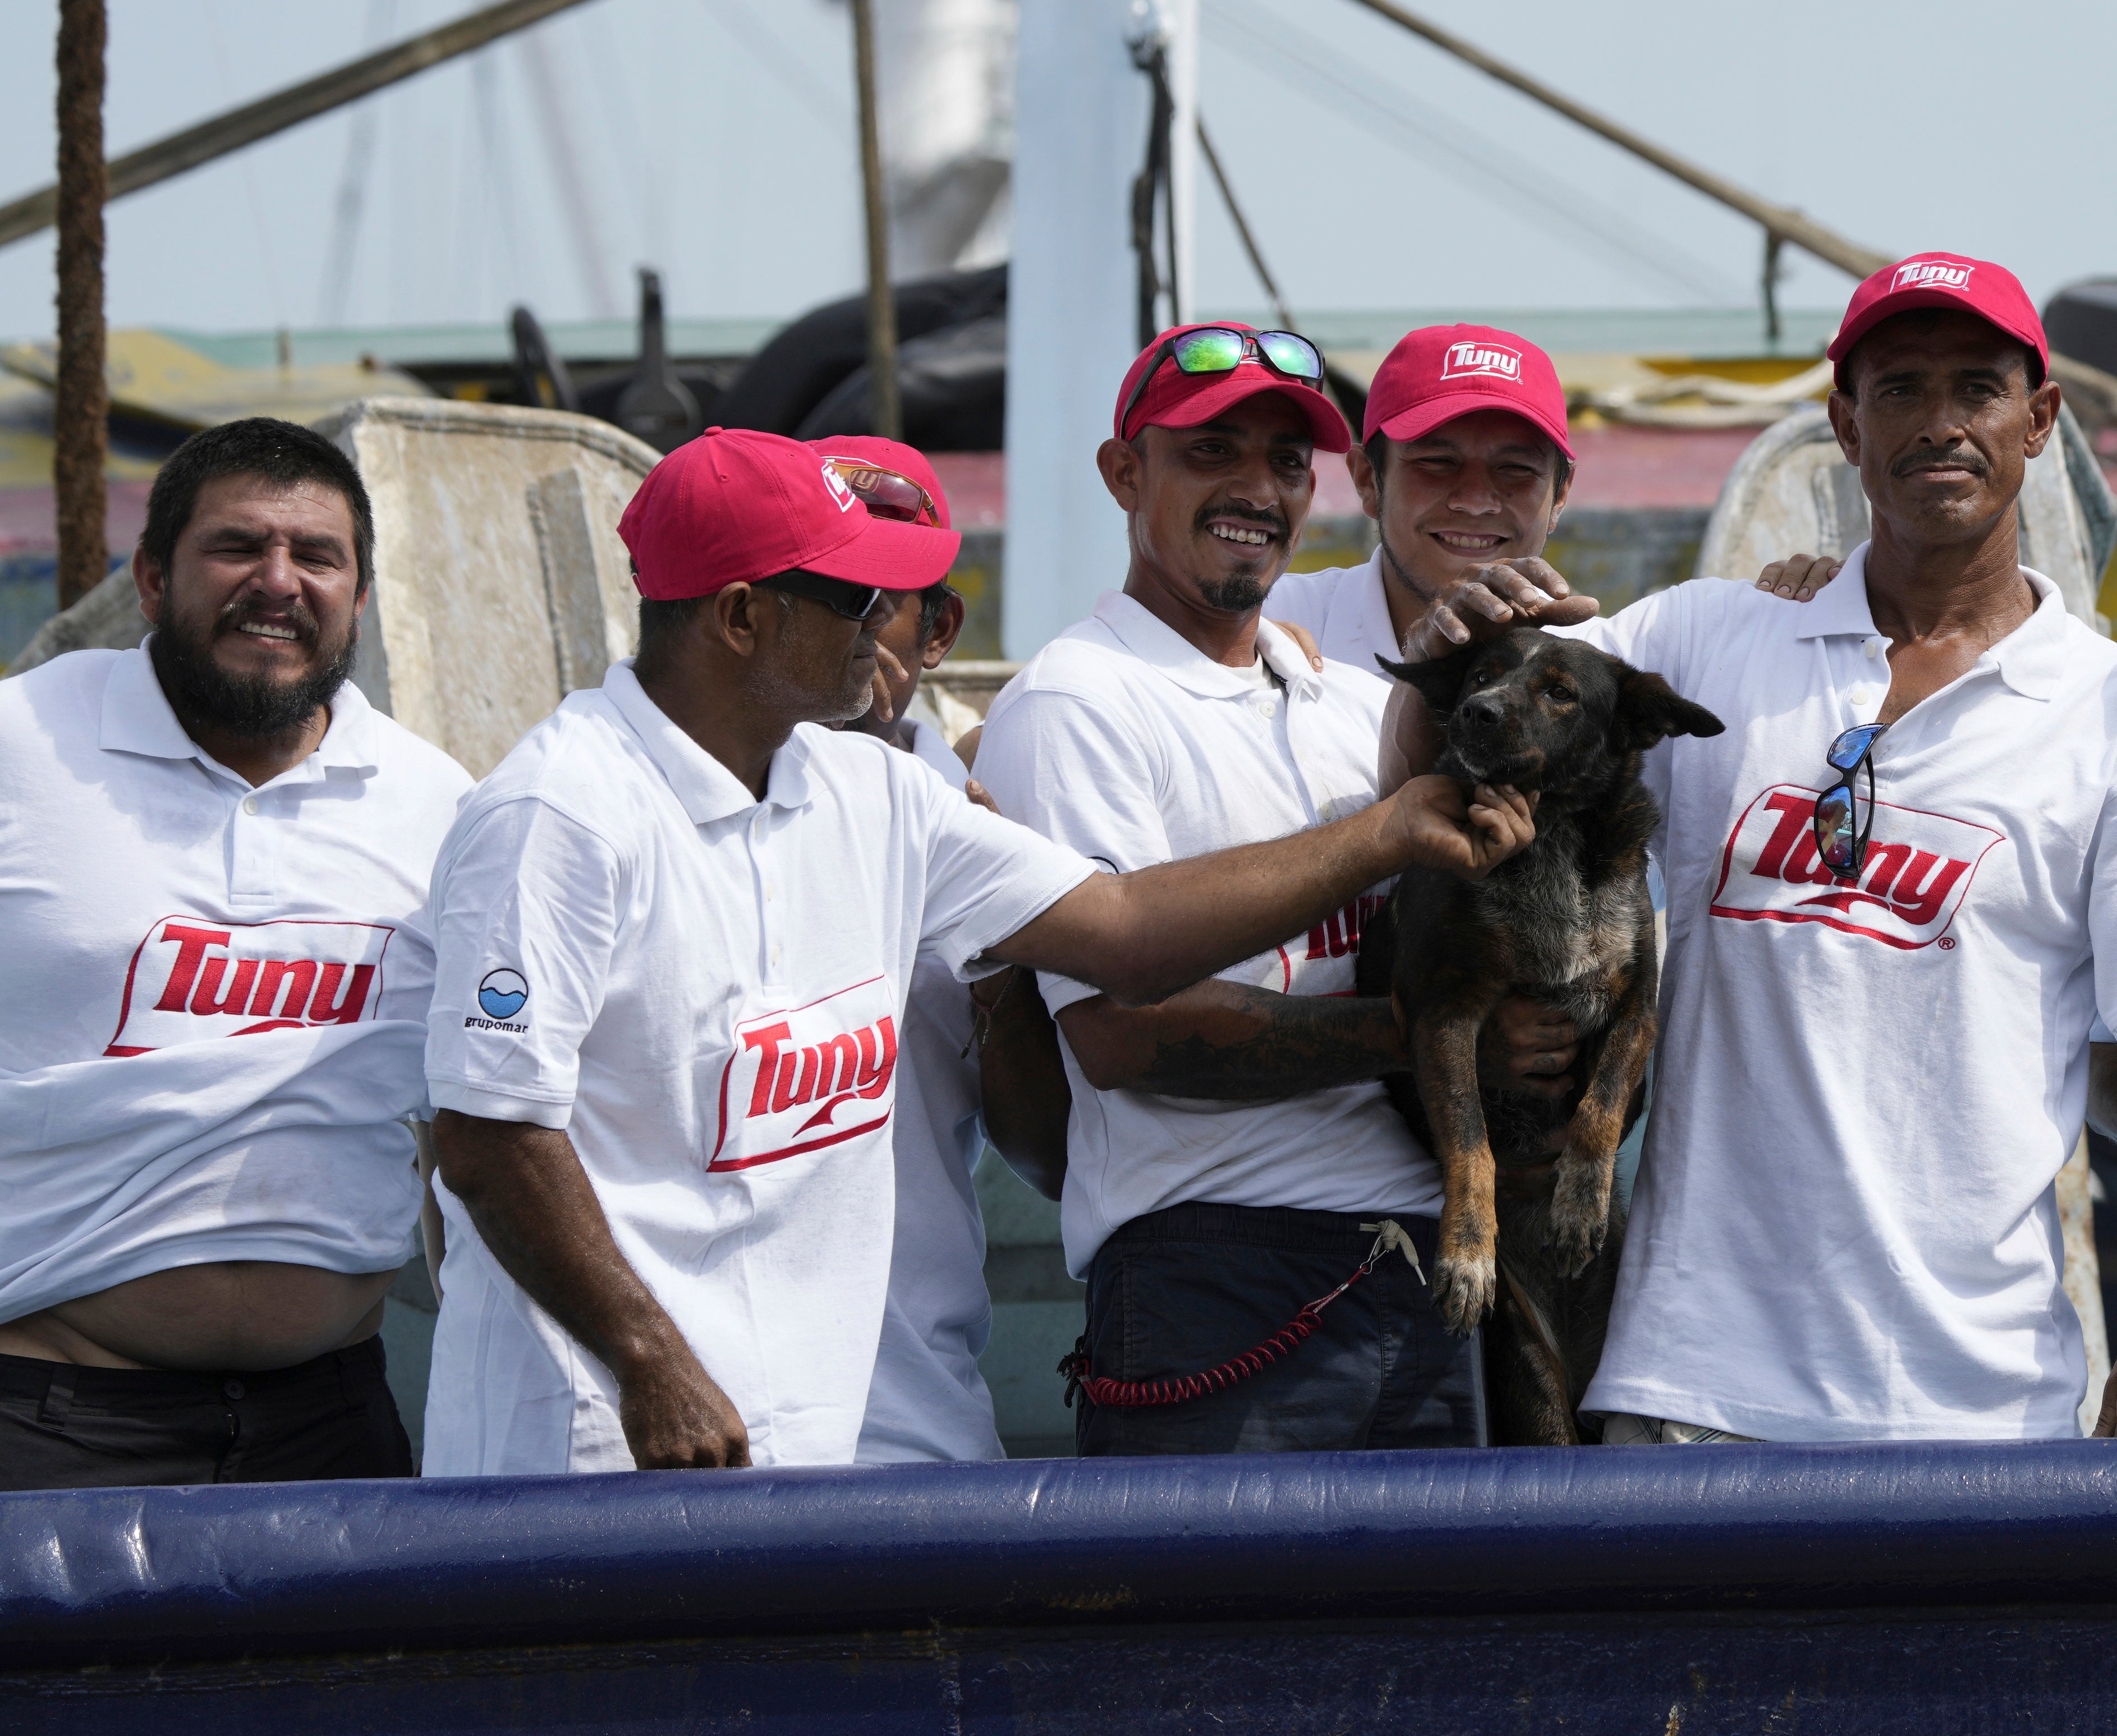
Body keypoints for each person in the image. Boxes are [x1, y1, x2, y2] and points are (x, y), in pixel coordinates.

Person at [420, 425, 1533, 1473]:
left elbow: (1127, 933)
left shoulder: (876, 787)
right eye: (857, 592)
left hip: (824, 1439)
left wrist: (1383, 832)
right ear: (742, 615)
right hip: (598, 1450)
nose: (888, 623)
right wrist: (649, 1359)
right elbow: (486, 1137)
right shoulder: (556, 812)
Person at [1398, 253, 2117, 1444]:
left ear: (2041, 420)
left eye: (1978, 387)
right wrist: (1454, 635)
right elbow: (1475, 729)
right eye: (1898, 389)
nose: (1941, 422)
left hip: (1977, 1406)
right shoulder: (1710, 637)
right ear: (1844, 426)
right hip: (1688, 1386)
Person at [978, 323, 1578, 1457]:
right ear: (1124, 473)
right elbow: (1123, 1037)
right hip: (1217, 1279)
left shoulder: (1337, 698)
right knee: (1224, 1642)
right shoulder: (1076, 701)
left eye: (1285, 461)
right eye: (1212, 453)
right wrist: (1434, 1039)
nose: (1256, 489)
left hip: (1418, 1273)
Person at [0, 418, 472, 1487]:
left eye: (317, 555)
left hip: (335, 1421)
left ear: (359, 595)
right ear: (153, 580)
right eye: (237, 548)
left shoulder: (439, 802)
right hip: (49, 1421)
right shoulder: (22, 747)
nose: (277, 581)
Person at [803, 435, 1014, 1463]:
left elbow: (1054, 1150)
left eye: (872, 597)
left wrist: (1006, 962)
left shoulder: (987, 829)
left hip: (913, 1419)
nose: (835, 629)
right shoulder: (620, 809)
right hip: (681, 1437)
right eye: (812, 587)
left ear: (940, 631)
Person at [1261, 324, 1573, 676]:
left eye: (1516, 468)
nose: (1475, 501)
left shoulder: (1608, 670)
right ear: (1368, 481)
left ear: (1560, 494)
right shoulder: (1257, 631)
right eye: (1437, 463)